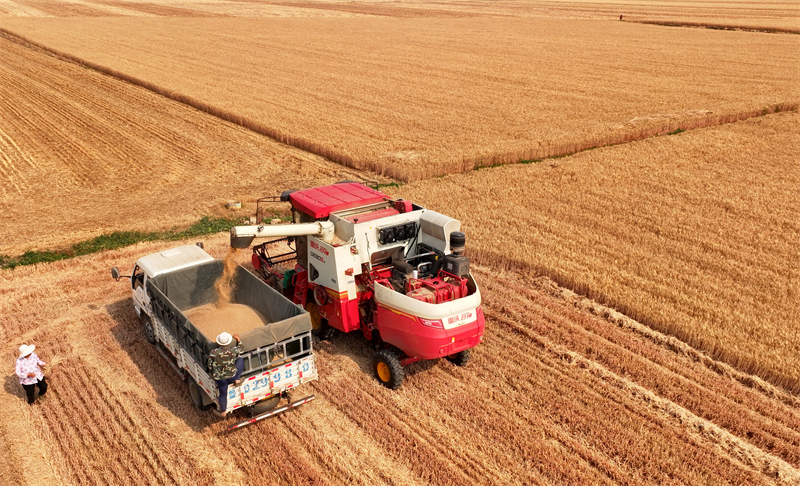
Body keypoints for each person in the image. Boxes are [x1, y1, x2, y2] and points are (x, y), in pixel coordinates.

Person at [207, 332, 243, 417]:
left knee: (223, 394)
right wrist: (238, 339)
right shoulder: (233, 350)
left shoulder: (213, 352)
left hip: (220, 378)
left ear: (219, 342)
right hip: (232, 376)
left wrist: (213, 372)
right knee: (240, 359)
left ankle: (223, 412)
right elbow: (241, 349)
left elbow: (209, 365)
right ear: (229, 342)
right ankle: (237, 379)